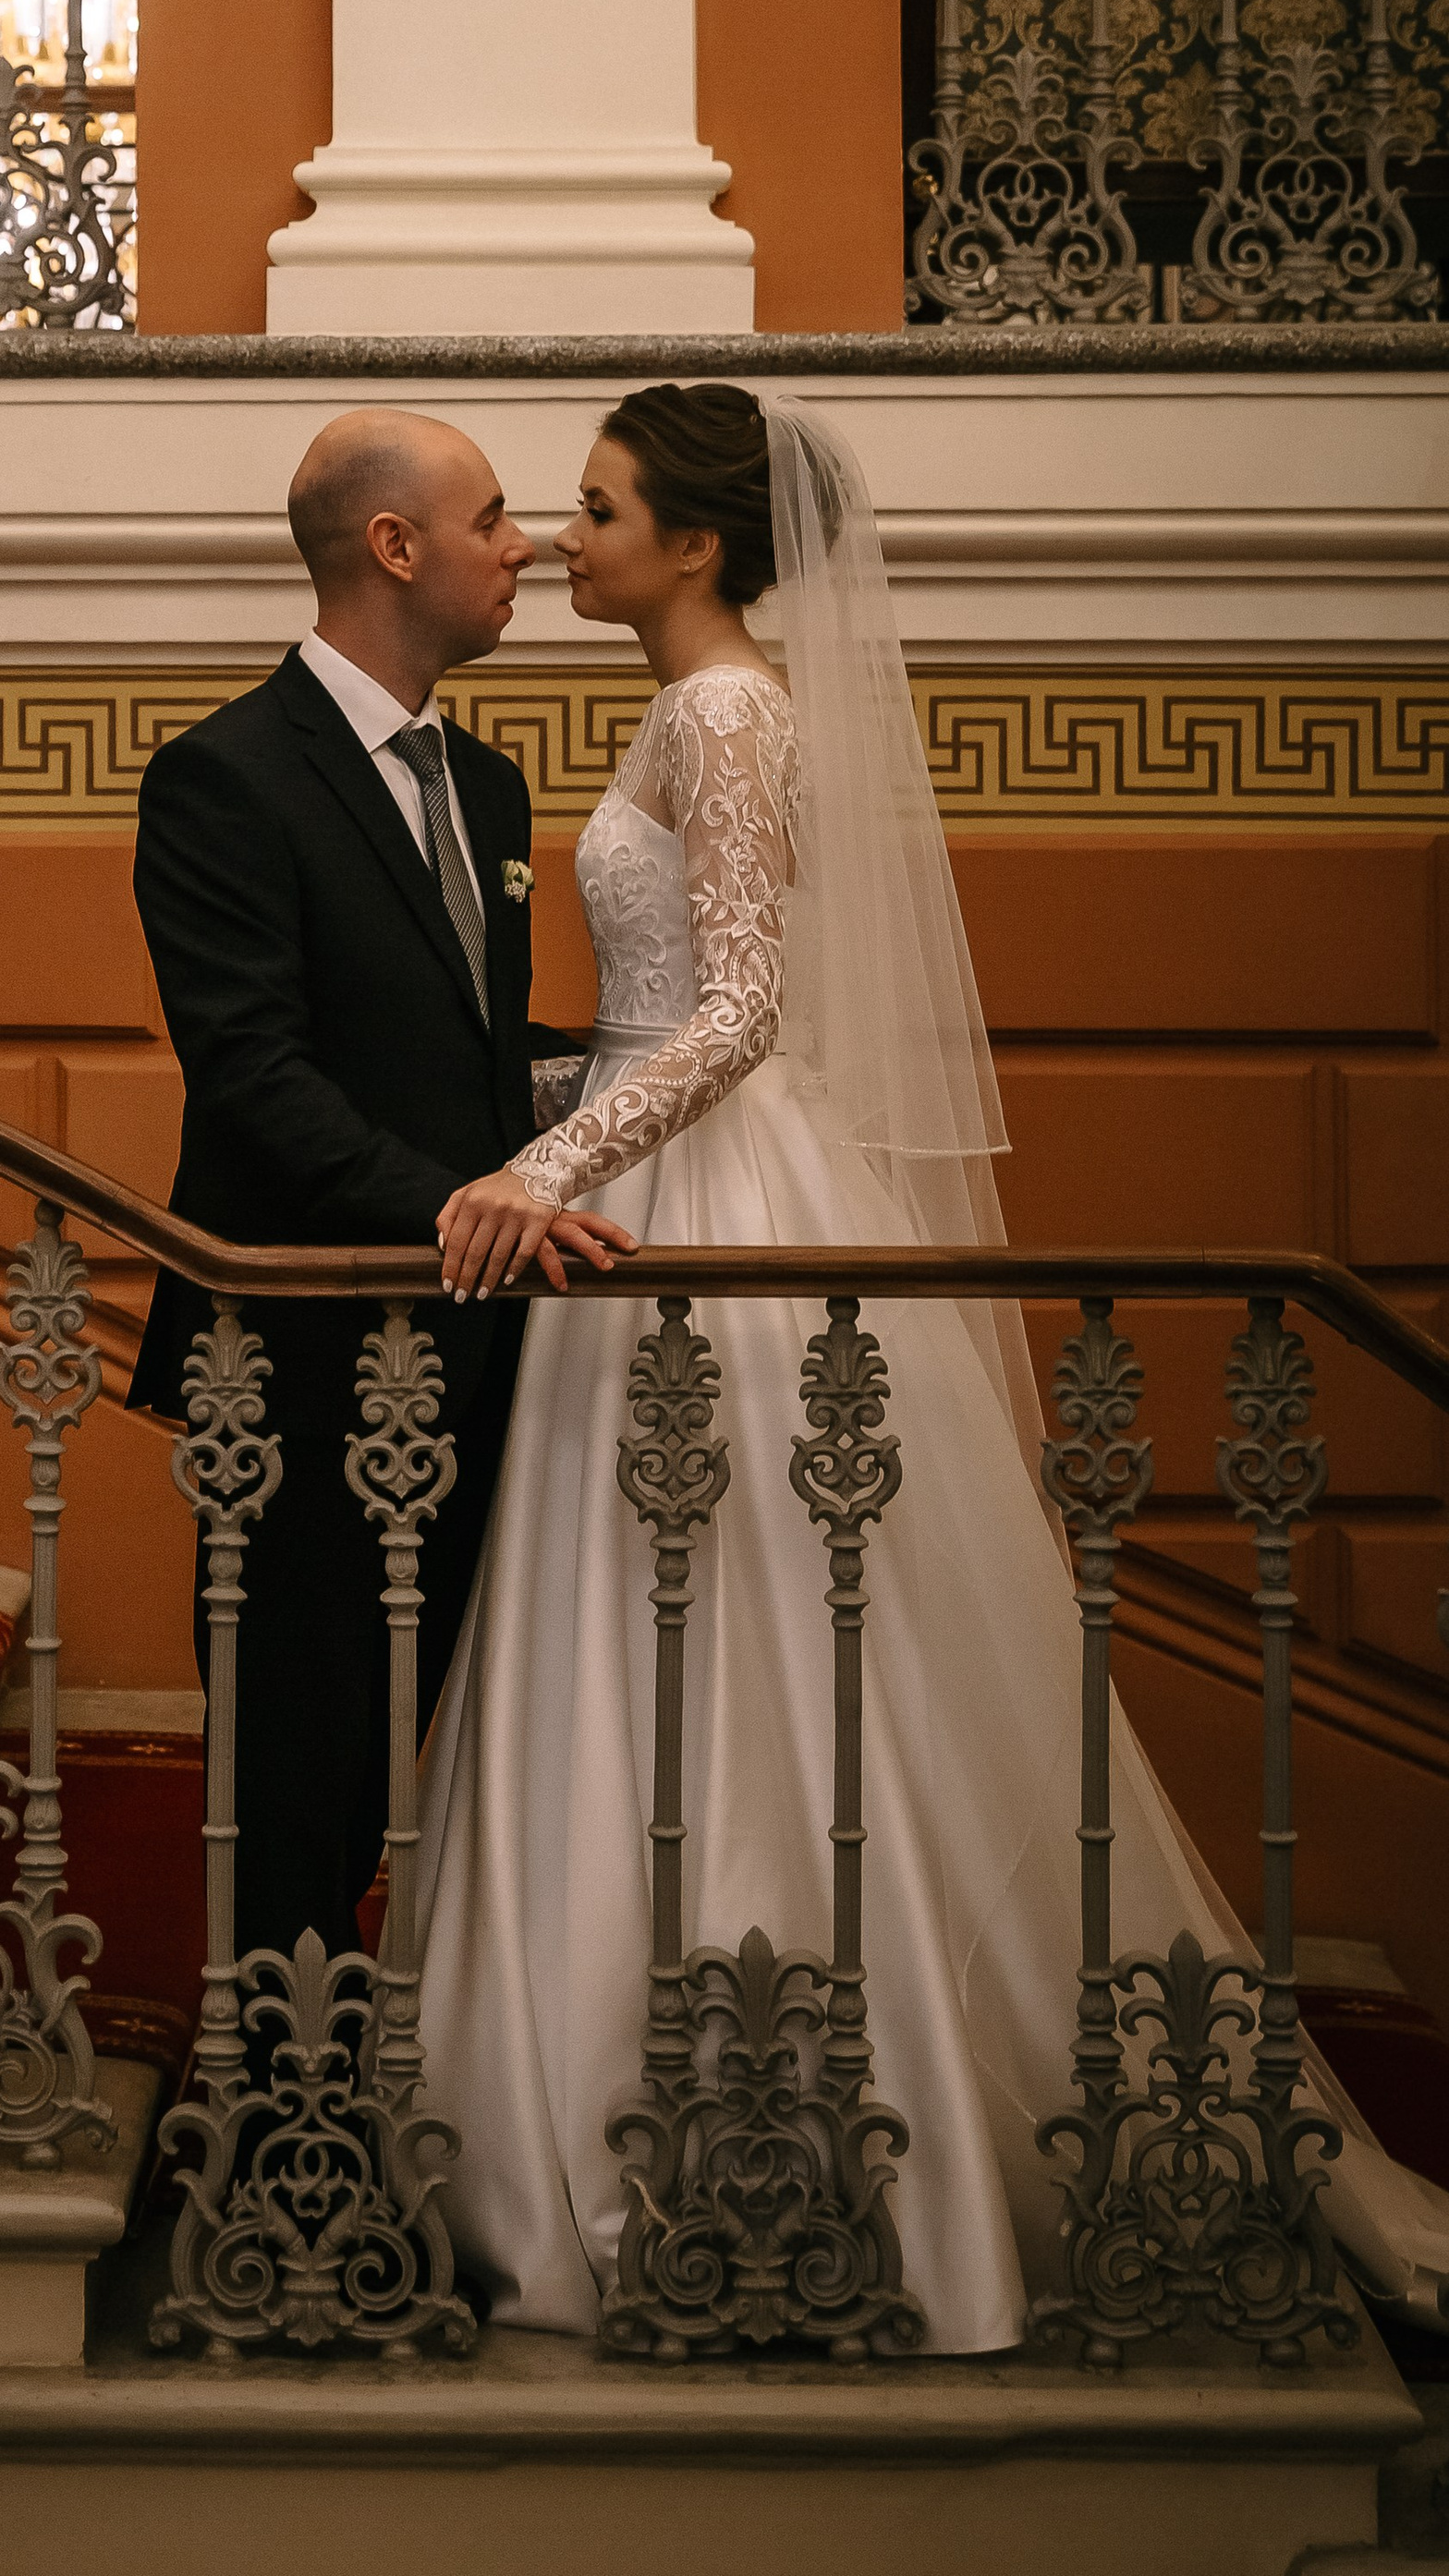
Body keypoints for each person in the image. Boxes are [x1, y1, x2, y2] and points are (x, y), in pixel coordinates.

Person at [418, 380, 1449, 2348]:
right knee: (685, 1636)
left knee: (741, 1645)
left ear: (696, 545)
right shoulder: (693, 698)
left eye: (597, 503)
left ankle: (756, 2125)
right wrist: (546, 1109)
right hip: (665, 1178)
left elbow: (730, 1012)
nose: (561, 535)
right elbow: (667, 1022)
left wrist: (539, 1157)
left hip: (697, 1203)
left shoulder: (722, 707)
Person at [128, 409, 624, 1963]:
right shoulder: (222, 777)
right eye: (490, 520)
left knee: (411, 1759)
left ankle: (359, 2081)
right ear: (392, 547)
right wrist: (472, 1209)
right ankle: (275, 2152)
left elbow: (468, 1056)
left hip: (468, 1355)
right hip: (293, 1360)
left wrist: (653, 1078)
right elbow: (256, 1079)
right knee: (293, 1773)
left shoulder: (487, 787)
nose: (526, 545)